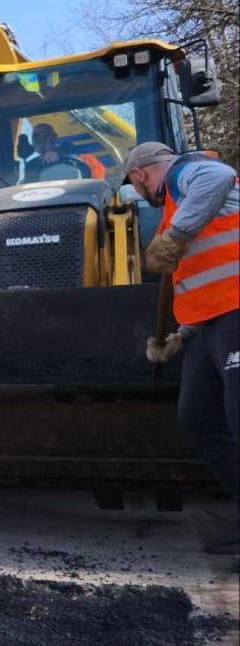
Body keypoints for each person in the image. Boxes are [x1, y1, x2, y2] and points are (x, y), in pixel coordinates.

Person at [125, 141, 239, 555]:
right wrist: (180, 337)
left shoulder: (187, 171)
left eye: (135, 186)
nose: (140, 194)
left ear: (139, 175)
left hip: (237, 312)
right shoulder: (178, 205)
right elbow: (205, 278)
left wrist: (174, 236)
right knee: (197, 416)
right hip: (210, 325)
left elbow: (220, 176)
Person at [23, 123, 90, 182]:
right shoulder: (30, 166)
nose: (39, 139)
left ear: (55, 138)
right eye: (36, 136)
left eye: (44, 135)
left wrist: (58, 157)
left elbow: (85, 181)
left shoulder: (74, 160)